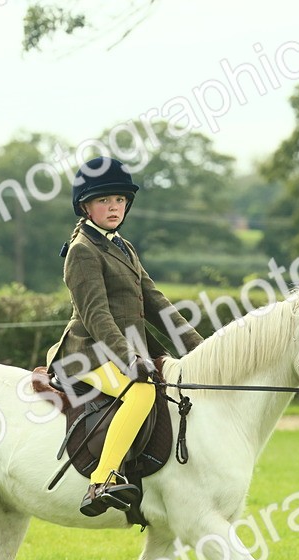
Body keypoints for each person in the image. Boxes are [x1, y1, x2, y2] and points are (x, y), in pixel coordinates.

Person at [45, 157, 204, 516]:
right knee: (141, 391)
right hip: (87, 353)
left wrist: (202, 349)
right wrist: (130, 359)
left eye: (119, 200)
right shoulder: (82, 251)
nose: (114, 207)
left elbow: (156, 302)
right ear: (86, 206)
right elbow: (97, 316)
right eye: (104, 201)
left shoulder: (123, 246)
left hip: (124, 350)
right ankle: (101, 481)